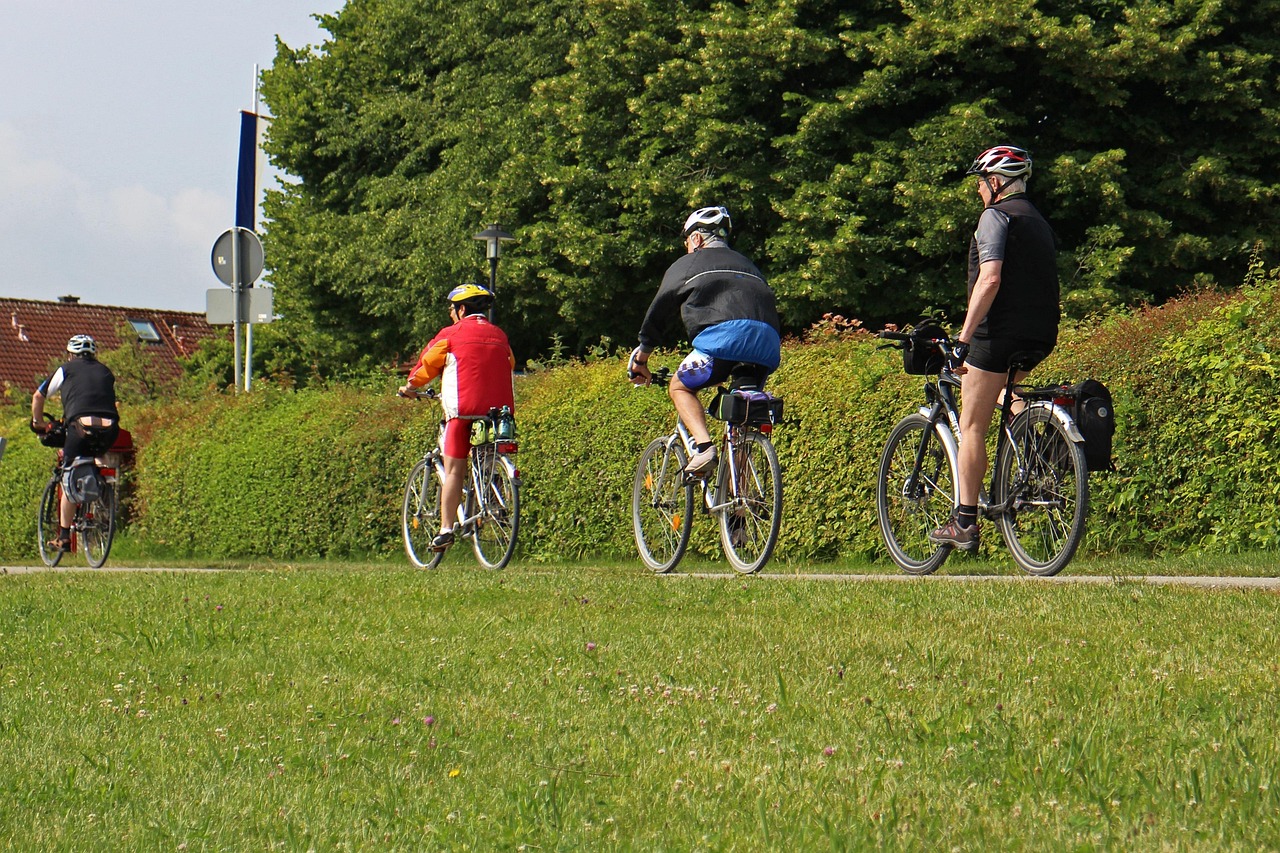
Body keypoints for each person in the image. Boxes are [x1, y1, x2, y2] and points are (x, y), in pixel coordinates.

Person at [929, 144, 1060, 551]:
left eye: (981, 183)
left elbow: (989, 279)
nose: (979, 191)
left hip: (996, 334)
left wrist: (963, 340)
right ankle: (1036, 444)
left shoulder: (994, 216)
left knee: (972, 426)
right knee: (1006, 391)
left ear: (997, 182)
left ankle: (965, 521)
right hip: (1041, 333)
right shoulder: (1038, 221)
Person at [628, 206, 782, 475]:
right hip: (766, 344)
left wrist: (642, 356)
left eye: (687, 241)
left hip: (724, 339)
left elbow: (659, 311)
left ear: (696, 239)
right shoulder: (748, 264)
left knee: (680, 387)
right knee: (742, 419)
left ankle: (704, 448)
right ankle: (739, 507)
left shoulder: (689, 264)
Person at [399, 284, 515, 552]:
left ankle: (445, 529)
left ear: (462, 309)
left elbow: (426, 366)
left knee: (453, 469)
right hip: (499, 413)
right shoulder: (500, 336)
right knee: (485, 454)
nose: (451, 314)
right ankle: (493, 492)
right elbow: (508, 363)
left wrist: (410, 387)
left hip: (462, 411)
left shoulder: (450, 335)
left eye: (453, 310)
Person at [30, 335, 120, 552]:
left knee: (68, 475)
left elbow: (38, 397)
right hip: (110, 429)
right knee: (96, 452)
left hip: (79, 427)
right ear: (93, 354)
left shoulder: (65, 369)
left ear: (70, 354)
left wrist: (38, 423)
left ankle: (63, 537)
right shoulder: (106, 371)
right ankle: (100, 485)